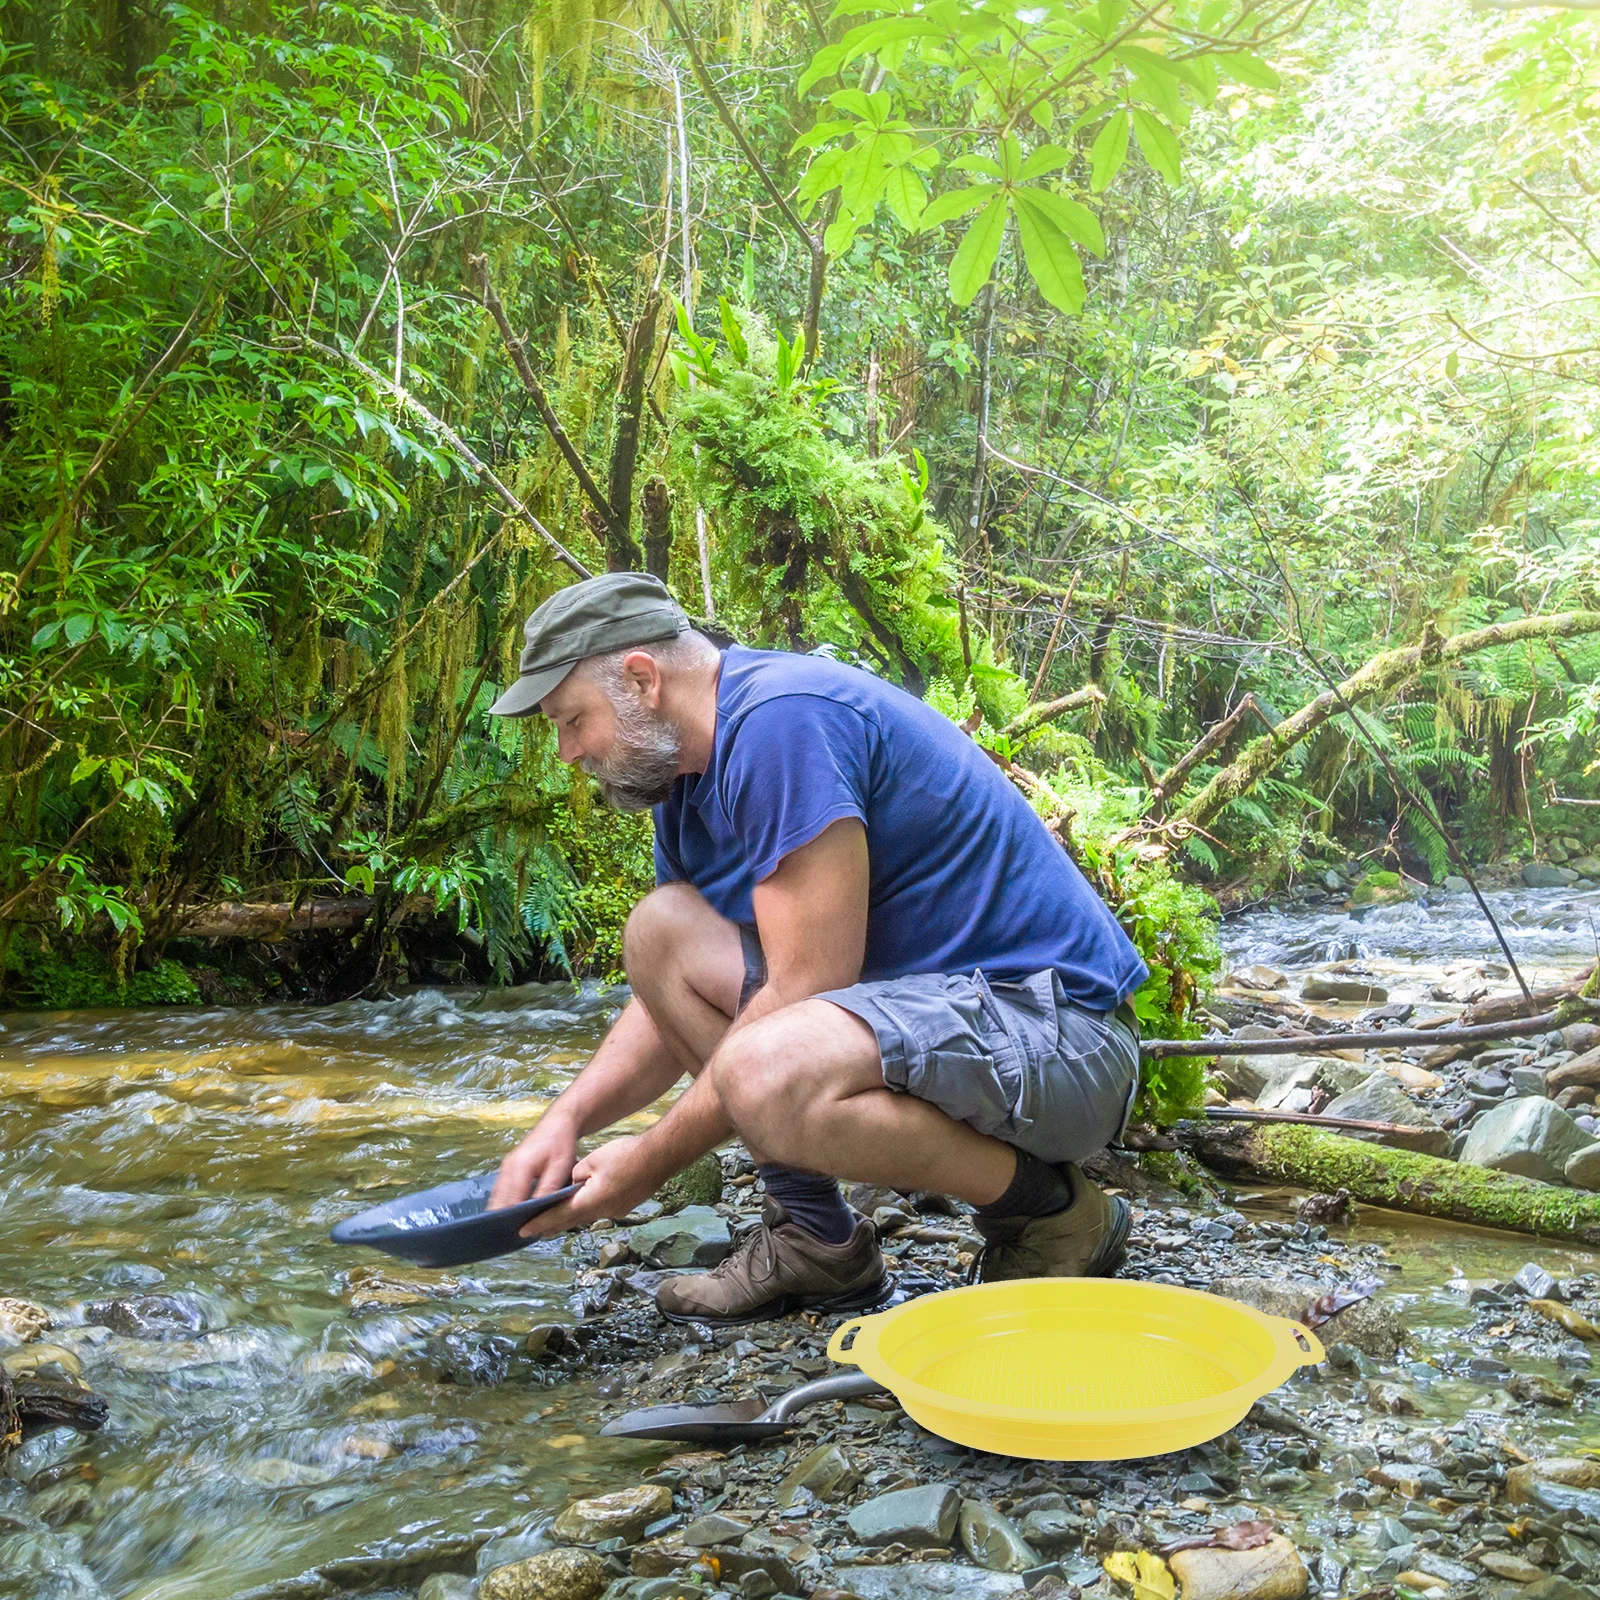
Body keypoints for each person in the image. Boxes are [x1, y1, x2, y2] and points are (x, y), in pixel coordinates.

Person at [486, 571, 1149, 1325]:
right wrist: (568, 1119)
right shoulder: (685, 781)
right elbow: (669, 1004)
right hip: (950, 1032)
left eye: (573, 720)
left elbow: (805, 986)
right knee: (660, 933)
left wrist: (645, 1164)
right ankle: (814, 1238)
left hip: (1065, 1040)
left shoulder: (783, 721)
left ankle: (1050, 1212)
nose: (567, 751)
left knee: (764, 1065)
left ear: (642, 680)